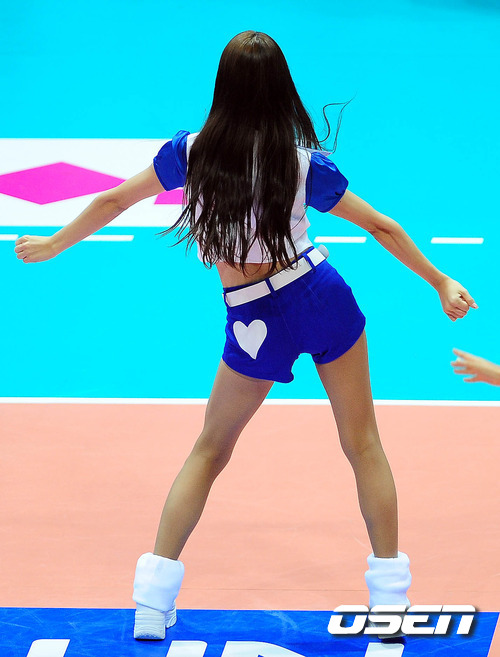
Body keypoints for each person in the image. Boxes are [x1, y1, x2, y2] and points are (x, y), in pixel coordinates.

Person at [14, 30, 478, 641]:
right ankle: (389, 604)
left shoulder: (190, 154)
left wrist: (54, 244)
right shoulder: (303, 163)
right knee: (363, 443)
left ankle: (152, 605)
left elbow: (113, 201)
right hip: (319, 297)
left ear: (223, 87)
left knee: (210, 449)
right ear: (282, 89)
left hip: (252, 319)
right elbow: (382, 227)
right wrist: (439, 280)